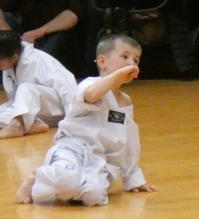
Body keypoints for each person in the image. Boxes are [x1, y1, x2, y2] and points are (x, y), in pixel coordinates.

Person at [16, 34, 155, 206]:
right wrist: (117, 76)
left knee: (94, 196)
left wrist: (133, 178)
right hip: (72, 150)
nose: (131, 64)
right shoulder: (89, 84)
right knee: (65, 178)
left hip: (99, 160)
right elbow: (93, 95)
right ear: (102, 61)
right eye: (125, 57)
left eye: (136, 60)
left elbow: (130, 142)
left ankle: (70, 189)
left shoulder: (124, 102)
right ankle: (36, 176)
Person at [0, 30, 77, 139]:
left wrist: (73, 121)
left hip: (58, 111)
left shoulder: (38, 60)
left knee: (25, 88)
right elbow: (16, 102)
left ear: (14, 58)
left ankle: (17, 125)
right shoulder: (8, 66)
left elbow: (68, 88)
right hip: (37, 113)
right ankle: (31, 125)